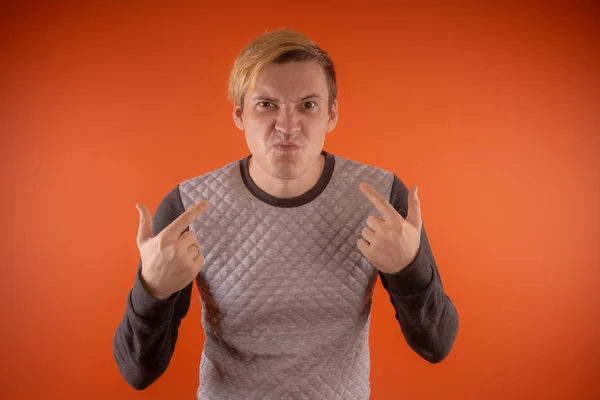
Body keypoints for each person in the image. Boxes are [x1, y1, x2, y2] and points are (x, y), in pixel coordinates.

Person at [113, 28, 459, 399]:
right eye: (267, 105)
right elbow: (139, 372)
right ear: (239, 114)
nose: (288, 126)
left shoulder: (382, 198)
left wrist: (409, 268)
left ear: (332, 114)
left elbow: (436, 345)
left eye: (308, 105)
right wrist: (152, 290)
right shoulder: (187, 206)